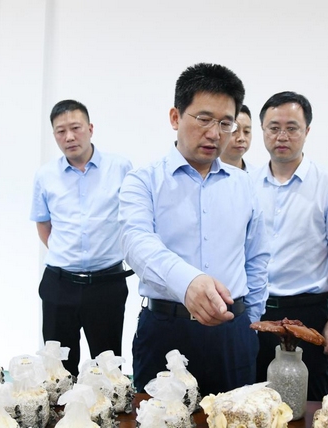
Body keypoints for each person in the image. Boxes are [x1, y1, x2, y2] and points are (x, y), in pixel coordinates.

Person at [118, 63, 269, 395]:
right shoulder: (143, 181)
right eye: (203, 119)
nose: (215, 133)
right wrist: (188, 282)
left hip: (233, 333)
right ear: (175, 117)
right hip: (166, 331)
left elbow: (257, 257)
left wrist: (251, 321)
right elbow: (136, 242)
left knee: (236, 416)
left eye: (225, 123)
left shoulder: (245, 184)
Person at [254, 91, 328, 401]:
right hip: (257, 311)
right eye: (274, 128)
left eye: (292, 128)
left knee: (309, 402)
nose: (282, 136)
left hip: (307, 313)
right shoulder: (247, 184)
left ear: (307, 131)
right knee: (254, 402)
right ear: (263, 130)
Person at [30, 100, 133, 376]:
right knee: (58, 372)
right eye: (61, 131)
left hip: (107, 284)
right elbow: (43, 224)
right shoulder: (45, 175)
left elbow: (133, 218)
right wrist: (66, 254)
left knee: (108, 370)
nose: (69, 137)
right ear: (54, 135)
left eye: (75, 128)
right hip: (59, 285)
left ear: (90, 128)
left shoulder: (120, 167)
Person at [220, 104, 254, 172]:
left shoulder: (255, 175)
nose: (241, 138)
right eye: (234, 131)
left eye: (246, 131)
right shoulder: (203, 172)